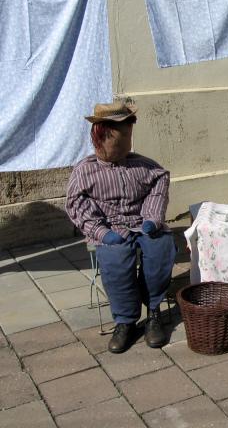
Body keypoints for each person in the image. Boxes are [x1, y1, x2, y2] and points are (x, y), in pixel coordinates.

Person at [65, 99, 176, 353]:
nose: (125, 143)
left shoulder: (143, 166)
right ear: (100, 137)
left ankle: (154, 312)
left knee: (160, 250)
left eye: (127, 137)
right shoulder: (85, 172)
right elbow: (76, 205)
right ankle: (125, 321)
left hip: (142, 223)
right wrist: (101, 232)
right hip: (110, 228)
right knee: (116, 261)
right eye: (118, 138)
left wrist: (152, 218)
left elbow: (159, 185)